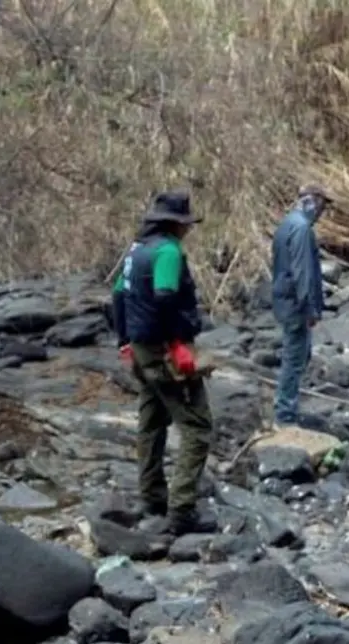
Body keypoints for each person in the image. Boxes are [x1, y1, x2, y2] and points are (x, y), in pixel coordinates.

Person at [111, 190, 215, 534]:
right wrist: (178, 343)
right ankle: (182, 511)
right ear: (175, 224)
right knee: (197, 427)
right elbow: (166, 294)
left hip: (141, 347)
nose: (188, 230)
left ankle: (151, 496)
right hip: (163, 348)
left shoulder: (136, 250)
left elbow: (118, 295)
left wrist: (124, 340)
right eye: (186, 224)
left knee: (152, 420)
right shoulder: (168, 251)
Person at [269, 184, 331, 426]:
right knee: (295, 358)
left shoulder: (286, 223)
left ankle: (286, 406)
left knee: (297, 355)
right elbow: (303, 272)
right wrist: (311, 309)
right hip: (295, 304)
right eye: (323, 205)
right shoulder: (303, 229)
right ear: (313, 201)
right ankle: (285, 415)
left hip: (283, 300)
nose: (322, 212)